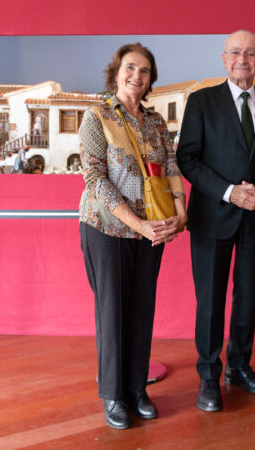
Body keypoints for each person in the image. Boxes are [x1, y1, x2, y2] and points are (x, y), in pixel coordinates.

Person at [176, 30, 255, 413]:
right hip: (211, 218)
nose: (244, 59)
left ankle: (239, 367)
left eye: (251, 53)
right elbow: (187, 159)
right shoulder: (201, 102)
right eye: (236, 52)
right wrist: (229, 192)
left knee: (247, 299)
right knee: (210, 301)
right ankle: (209, 376)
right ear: (225, 59)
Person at [78, 43, 187, 429]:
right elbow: (95, 179)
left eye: (144, 71)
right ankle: (112, 394)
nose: (136, 76)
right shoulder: (97, 116)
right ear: (116, 71)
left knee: (142, 308)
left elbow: (171, 165)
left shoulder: (156, 122)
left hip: (152, 229)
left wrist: (181, 213)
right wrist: (136, 224)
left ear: (150, 79)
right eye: (130, 68)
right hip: (106, 228)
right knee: (113, 312)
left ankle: (137, 388)